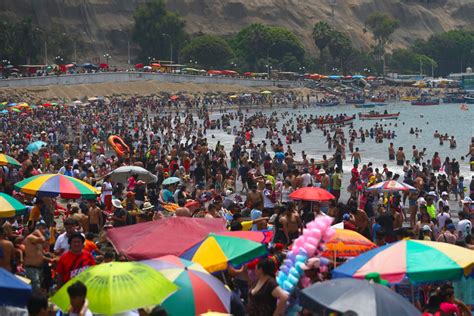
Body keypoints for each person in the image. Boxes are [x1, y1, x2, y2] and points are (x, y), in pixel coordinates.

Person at [24, 223, 50, 290]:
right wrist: (38, 232)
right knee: (36, 288)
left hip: (39, 268)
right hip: (32, 268)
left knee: (39, 287)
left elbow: (40, 255)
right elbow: (42, 239)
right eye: (43, 229)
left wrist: (50, 260)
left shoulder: (38, 241)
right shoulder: (30, 237)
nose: (45, 231)